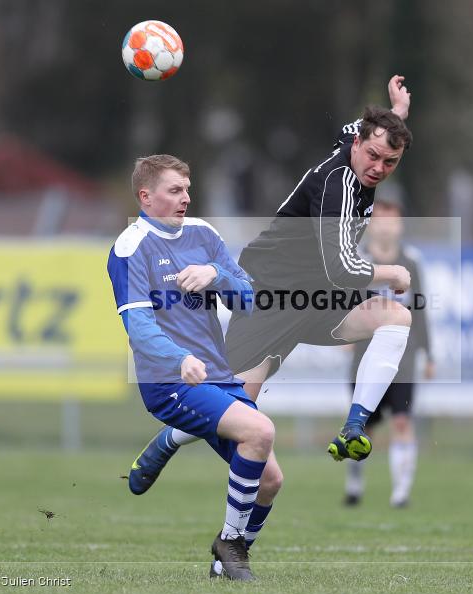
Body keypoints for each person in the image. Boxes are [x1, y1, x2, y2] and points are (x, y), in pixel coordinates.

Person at [128, 74, 413, 503]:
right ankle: (169, 439)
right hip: (269, 296)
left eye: (390, 162)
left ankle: (354, 425)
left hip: (317, 298)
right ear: (356, 146)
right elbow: (341, 268)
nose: (378, 167)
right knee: (234, 408)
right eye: (373, 156)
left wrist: (397, 115)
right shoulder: (337, 186)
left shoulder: (355, 145)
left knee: (396, 317)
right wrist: (392, 273)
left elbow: (366, 130)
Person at [107, 154, 281, 581]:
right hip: (168, 381)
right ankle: (231, 546)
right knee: (259, 431)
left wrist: (215, 274)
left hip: (216, 376)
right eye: (175, 190)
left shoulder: (204, 234)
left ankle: (224, 563)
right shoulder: (130, 248)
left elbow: (249, 301)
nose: (186, 197)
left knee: (270, 481)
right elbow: (139, 329)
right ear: (146, 197)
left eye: (187, 189)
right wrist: (180, 358)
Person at [341, 197, 434, 509]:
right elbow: (344, 303)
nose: (385, 227)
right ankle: (355, 485)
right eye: (379, 220)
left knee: (402, 422)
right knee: (362, 424)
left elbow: (420, 310)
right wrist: (342, 335)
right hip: (366, 355)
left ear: (400, 226)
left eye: (391, 221)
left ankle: (401, 493)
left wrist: (429, 353)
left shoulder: (411, 262)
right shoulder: (357, 260)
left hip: (402, 359)